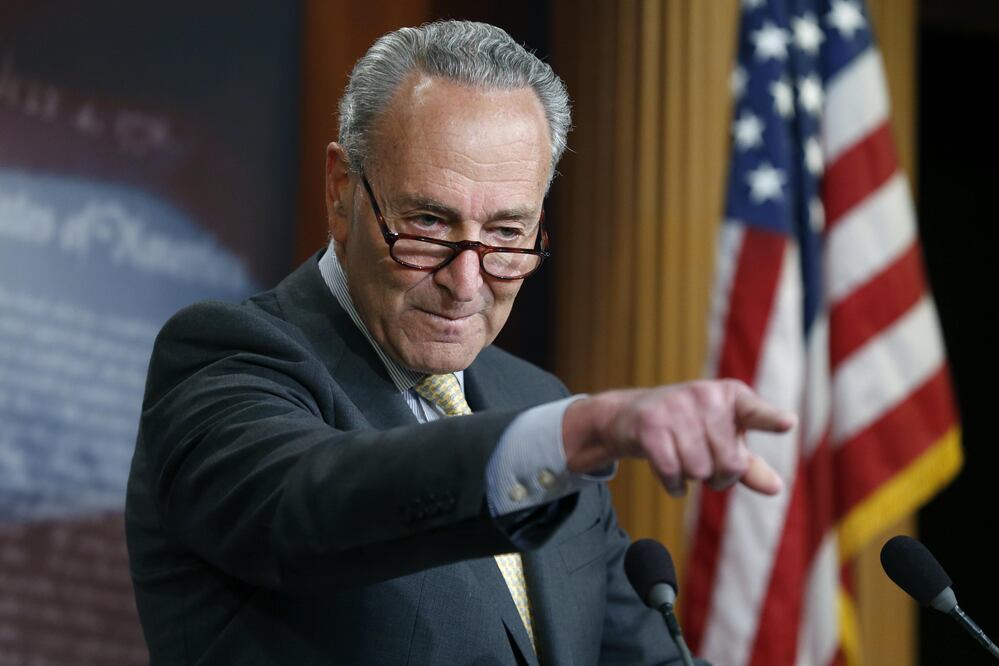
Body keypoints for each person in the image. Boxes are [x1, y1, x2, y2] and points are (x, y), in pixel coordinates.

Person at [125, 20, 795, 665]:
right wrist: (576, 434)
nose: (466, 283)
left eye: (506, 234)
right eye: (427, 222)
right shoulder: (225, 359)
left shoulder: (533, 399)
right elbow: (313, 501)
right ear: (341, 192)